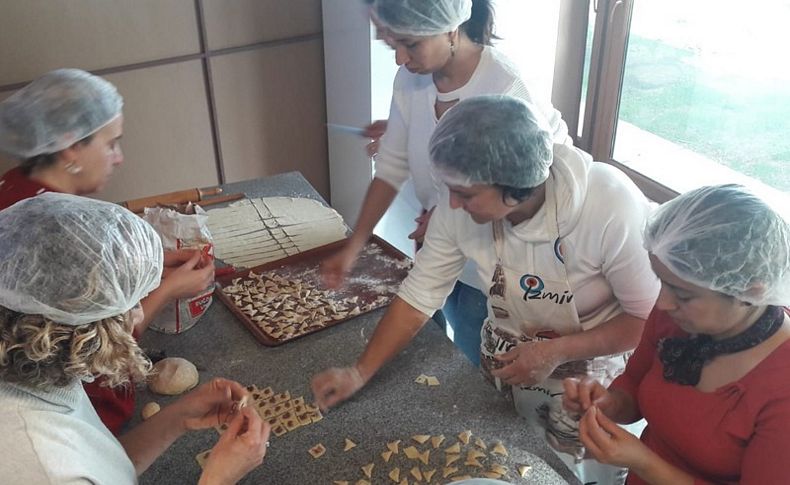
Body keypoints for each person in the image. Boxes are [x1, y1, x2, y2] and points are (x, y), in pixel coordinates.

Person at [312, 95, 660, 484]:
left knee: (567, 475)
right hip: (508, 357)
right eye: (452, 190)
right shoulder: (460, 204)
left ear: (516, 187)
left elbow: (648, 321)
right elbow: (420, 294)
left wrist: (556, 351)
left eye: (466, 194)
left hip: (588, 383)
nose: (454, 205)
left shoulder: (609, 206)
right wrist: (359, 372)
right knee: (506, 465)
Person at [322, 0, 570, 366]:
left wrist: (443, 215)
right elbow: (391, 164)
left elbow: (522, 190)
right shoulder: (411, 80)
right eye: (394, 46)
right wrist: (354, 244)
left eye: (411, 44)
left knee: (479, 357)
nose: (400, 59)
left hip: (498, 257)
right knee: (439, 334)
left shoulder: (505, 86)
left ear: (450, 28)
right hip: (443, 237)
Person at [0, 68, 215, 433]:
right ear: (71, 146)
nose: (119, 158)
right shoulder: (56, 227)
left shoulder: (17, 194)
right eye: (111, 143)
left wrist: (149, 266)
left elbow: (68, 291)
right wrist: (169, 290)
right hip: (85, 420)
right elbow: (90, 351)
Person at [0, 193, 269, 484]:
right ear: (84, 328)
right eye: (132, 304)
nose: (140, 315)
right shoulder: (43, 466)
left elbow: (106, 468)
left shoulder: (37, 366)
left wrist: (180, 416)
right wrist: (219, 478)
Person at [563, 184, 790, 484]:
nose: (662, 303)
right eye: (661, 281)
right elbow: (635, 384)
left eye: (683, 295)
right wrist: (610, 403)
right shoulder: (677, 319)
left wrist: (644, 462)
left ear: (748, 291)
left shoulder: (780, 389)